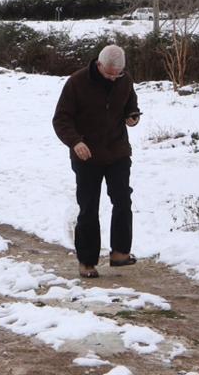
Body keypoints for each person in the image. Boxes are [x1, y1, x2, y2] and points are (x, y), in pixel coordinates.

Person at [52, 44, 141, 279]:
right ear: (99, 64)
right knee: (89, 207)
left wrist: (132, 116)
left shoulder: (125, 80)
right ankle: (87, 261)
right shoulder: (77, 82)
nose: (113, 77)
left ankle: (120, 253)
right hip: (86, 154)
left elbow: (130, 105)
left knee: (122, 200)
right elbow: (61, 119)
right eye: (109, 73)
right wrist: (75, 142)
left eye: (117, 74)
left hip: (117, 151)